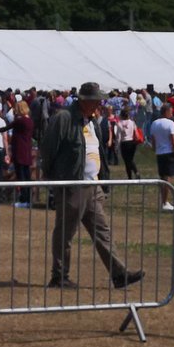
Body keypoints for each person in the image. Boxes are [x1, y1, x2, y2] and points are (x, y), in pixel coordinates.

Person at [40, 82, 144, 290]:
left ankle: (118, 274)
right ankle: (59, 276)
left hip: (92, 185)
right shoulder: (64, 119)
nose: (99, 103)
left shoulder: (92, 120)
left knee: (102, 232)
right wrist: (54, 179)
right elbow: (48, 149)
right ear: (85, 100)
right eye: (96, 99)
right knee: (65, 233)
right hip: (73, 185)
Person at [149, 104, 174, 211]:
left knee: (163, 178)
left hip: (159, 152)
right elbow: (173, 139)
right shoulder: (170, 123)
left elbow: (153, 139)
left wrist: (155, 148)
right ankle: (165, 202)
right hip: (169, 152)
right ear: (166, 112)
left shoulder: (154, 123)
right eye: (170, 111)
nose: (171, 114)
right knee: (168, 178)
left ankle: (164, 200)